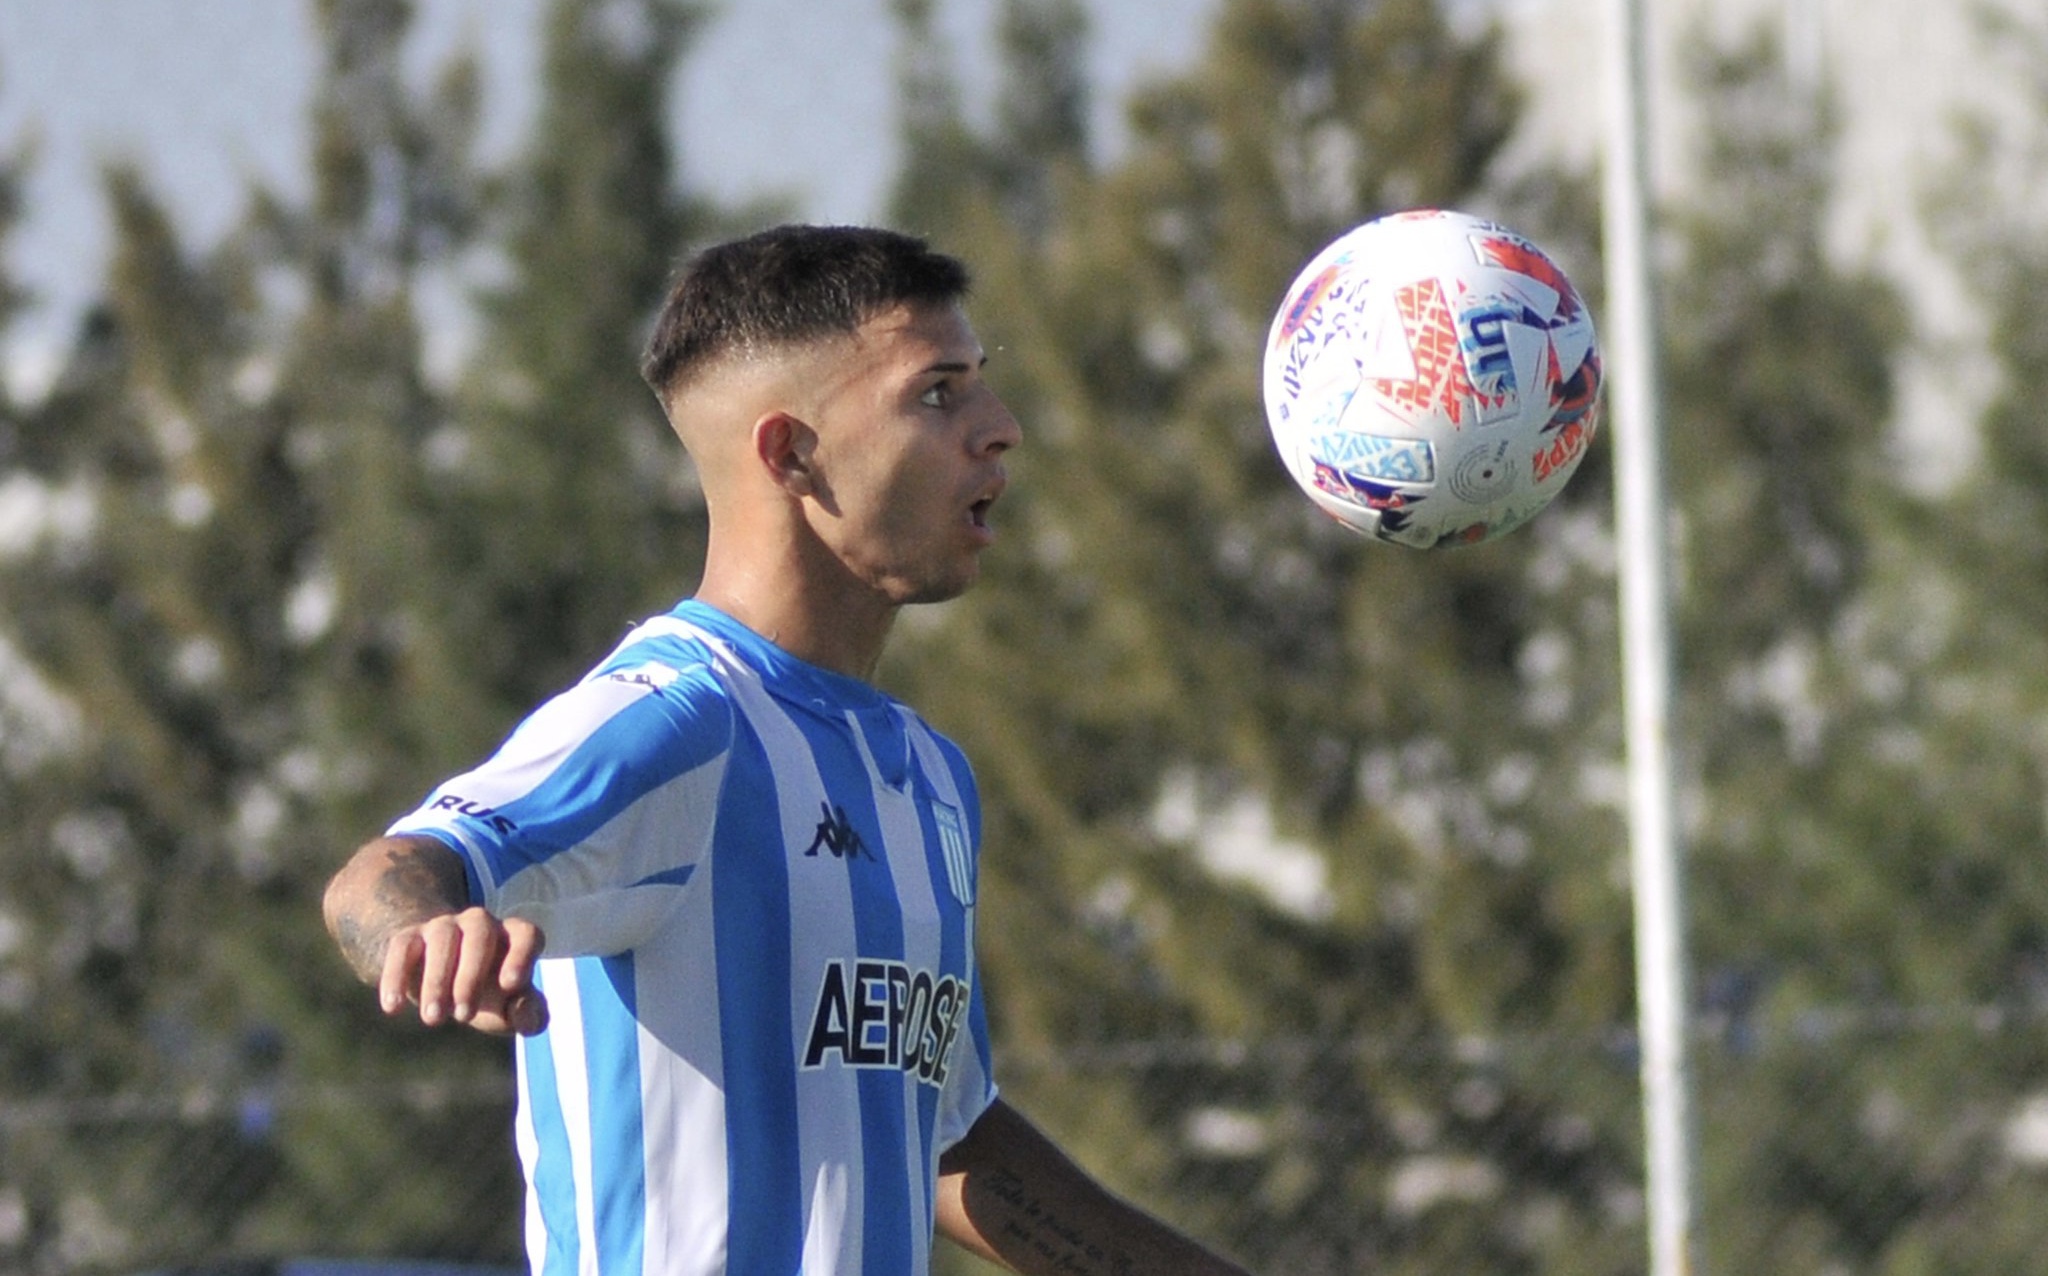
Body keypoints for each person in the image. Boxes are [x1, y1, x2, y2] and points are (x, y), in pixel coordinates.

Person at [322, 224, 1253, 1276]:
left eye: (982, 384)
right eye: (938, 393)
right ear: (789, 453)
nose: (999, 428)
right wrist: (422, 934)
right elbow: (388, 872)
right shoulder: (676, 720)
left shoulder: (929, 775)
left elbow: (946, 1135)